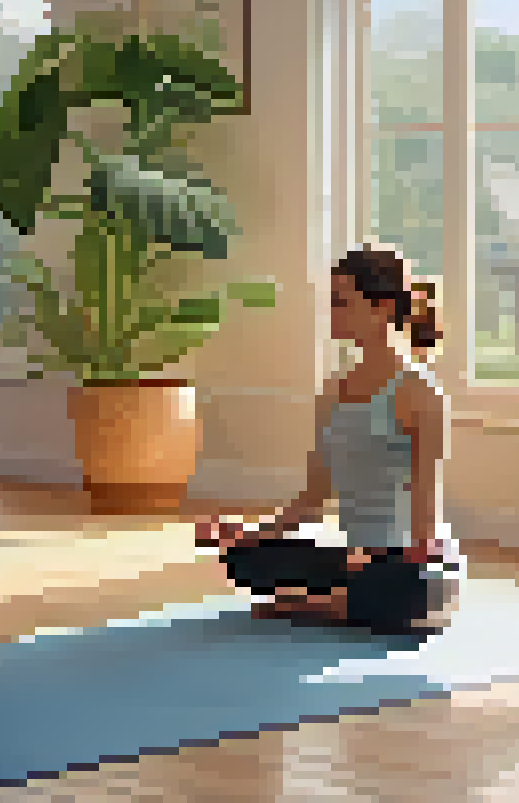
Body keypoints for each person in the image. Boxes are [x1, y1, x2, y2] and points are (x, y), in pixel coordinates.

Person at [194, 245, 462, 637]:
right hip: (353, 558)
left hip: (406, 557)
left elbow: (425, 514)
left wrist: (407, 559)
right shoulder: (333, 391)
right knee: (245, 561)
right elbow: (311, 501)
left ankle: (333, 603)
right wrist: (249, 533)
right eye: (332, 303)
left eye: (342, 302)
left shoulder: (421, 394)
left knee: (410, 588)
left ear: (383, 307)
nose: (333, 316)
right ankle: (343, 602)